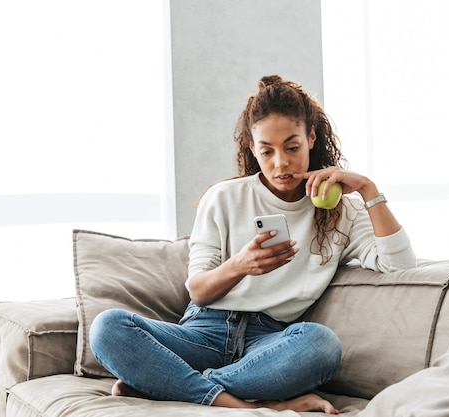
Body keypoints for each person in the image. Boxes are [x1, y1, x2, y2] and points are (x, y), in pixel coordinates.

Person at [89, 75, 416, 414]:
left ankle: (169, 384)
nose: (281, 163)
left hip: (268, 341)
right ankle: (251, 405)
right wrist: (240, 266)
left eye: (292, 147)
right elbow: (198, 291)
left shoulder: (342, 210)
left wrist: (367, 189)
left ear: (311, 138)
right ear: (251, 148)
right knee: (108, 327)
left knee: (321, 345)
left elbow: (401, 267)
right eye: (267, 151)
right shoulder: (225, 197)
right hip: (204, 330)